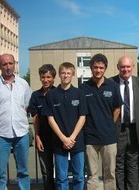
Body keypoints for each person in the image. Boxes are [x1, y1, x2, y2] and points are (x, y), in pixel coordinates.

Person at [0, 53, 32, 189]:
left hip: (22, 134)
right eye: (4, 64)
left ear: (14, 64)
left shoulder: (23, 84)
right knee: (0, 173)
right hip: (1, 134)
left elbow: (27, 105)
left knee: (23, 171)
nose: (8, 67)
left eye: (10, 63)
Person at [79, 53, 122, 190]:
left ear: (105, 69)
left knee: (110, 174)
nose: (98, 70)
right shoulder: (83, 88)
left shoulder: (113, 86)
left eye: (101, 68)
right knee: (92, 174)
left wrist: (108, 123)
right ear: (91, 68)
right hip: (90, 138)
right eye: (95, 67)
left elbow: (117, 109)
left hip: (109, 138)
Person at [42, 62, 87, 190]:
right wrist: (63, 138)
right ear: (59, 75)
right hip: (58, 141)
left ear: (73, 74)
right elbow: (50, 119)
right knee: (61, 178)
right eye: (63, 73)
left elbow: (82, 117)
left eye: (68, 73)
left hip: (76, 141)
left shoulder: (79, 93)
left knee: (79, 176)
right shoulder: (51, 94)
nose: (65, 75)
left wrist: (71, 138)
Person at [111, 55, 139, 190]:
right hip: (117, 128)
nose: (125, 69)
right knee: (118, 163)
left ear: (133, 67)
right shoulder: (110, 83)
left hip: (134, 129)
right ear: (118, 68)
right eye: (122, 67)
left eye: (128, 66)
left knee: (133, 163)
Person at [29, 64, 56, 190]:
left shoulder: (59, 93)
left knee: (62, 170)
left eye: (48, 77)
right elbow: (35, 119)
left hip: (59, 138)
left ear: (54, 78)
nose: (46, 80)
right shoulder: (35, 96)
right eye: (43, 77)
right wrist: (37, 137)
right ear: (40, 78)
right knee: (46, 170)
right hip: (43, 139)